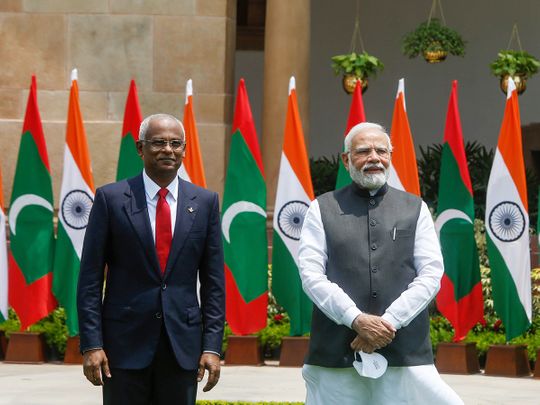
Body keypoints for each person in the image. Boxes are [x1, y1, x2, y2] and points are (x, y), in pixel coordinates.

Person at [298, 122, 463, 404]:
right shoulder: (321, 208)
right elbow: (311, 275)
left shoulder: (415, 207)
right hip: (337, 352)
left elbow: (431, 273)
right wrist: (355, 318)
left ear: (390, 156)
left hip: (406, 352)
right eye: (363, 151)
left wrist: (387, 324)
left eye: (381, 151)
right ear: (346, 159)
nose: (374, 157)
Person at [77, 113, 225, 405]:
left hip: (182, 348)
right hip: (123, 347)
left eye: (175, 143)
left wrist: (212, 347)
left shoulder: (206, 203)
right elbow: (90, 279)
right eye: (158, 143)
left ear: (185, 149)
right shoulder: (111, 199)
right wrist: (92, 344)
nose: (168, 150)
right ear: (140, 148)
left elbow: (214, 284)